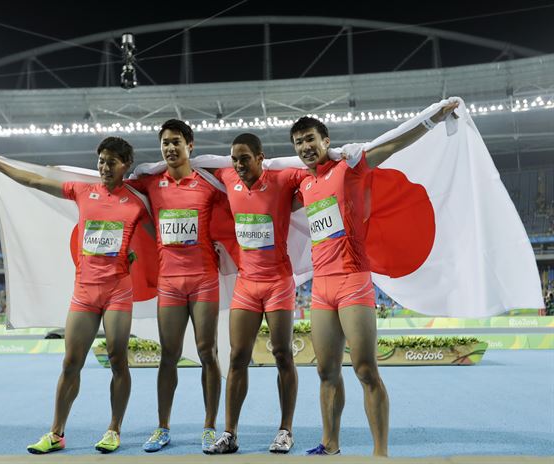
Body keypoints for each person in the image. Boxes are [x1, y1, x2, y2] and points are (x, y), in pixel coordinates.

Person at [289, 101, 459, 456]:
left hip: (353, 279)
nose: (305, 147)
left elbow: (392, 143)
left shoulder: (349, 167)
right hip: (321, 288)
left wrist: (433, 116)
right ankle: (330, 444)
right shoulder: (303, 184)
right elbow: (264, 196)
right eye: (298, 143)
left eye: (310, 139)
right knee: (325, 371)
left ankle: (380, 452)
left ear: (325, 140)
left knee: (365, 368)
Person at [0, 136, 154, 454]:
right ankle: (56, 433)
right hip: (85, 292)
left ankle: (114, 429)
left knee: (117, 360)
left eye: (111, 162)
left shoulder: (137, 203)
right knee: (71, 362)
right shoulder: (82, 191)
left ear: (125, 165)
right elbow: (35, 180)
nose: (103, 167)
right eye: (100, 161)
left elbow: (160, 238)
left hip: (117, 292)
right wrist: (1, 165)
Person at [197, 133, 308, 454]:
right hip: (247, 285)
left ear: (261, 158)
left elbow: (315, 167)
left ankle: (286, 430)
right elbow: (200, 164)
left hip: (278, 283)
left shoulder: (283, 178)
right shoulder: (228, 176)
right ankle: (229, 434)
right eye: (234, 158)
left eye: (245, 158)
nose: (238, 164)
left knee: (283, 354)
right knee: (237, 358)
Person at [129, 119, 223, 453]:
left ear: (190, 146)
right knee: (168, 356)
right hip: (169, 282)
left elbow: (238, 202)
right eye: (165, 143)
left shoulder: (209, 184)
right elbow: (114, 186)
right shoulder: (152, 184)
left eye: (176, 142)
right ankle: (162, 427)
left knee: (206, 353)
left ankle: (210, 427)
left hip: (203, 280)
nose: (170, 148)